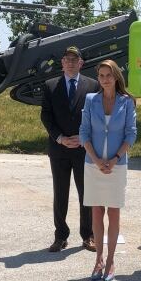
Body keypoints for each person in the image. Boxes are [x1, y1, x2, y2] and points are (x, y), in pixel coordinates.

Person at [79, 60, 137, 281]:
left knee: (113, 213)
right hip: (92, 164)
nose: (104, 79)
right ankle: (98, 260)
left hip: (117, 165)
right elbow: (84, 132)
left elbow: (130, 134)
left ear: (116, 77)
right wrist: (95, 159)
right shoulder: (91, 100)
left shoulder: (126, 102)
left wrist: (114, 159)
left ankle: (111, 260)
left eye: (108, 75)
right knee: (96, 212)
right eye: (101, 75)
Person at [40, 46, 100, 252]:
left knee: (87, 194)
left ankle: (88, 235)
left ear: (81, 63)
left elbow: (97, 116)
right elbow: (46, 116)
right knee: (60, 193)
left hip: (85, 149)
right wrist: (60, 138)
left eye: (75, 60)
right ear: (62, 63)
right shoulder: (50, 85)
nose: (71, 63)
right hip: (59, 149)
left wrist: (86, 138)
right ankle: (60, 236)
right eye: (67, 59)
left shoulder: (93, 85)